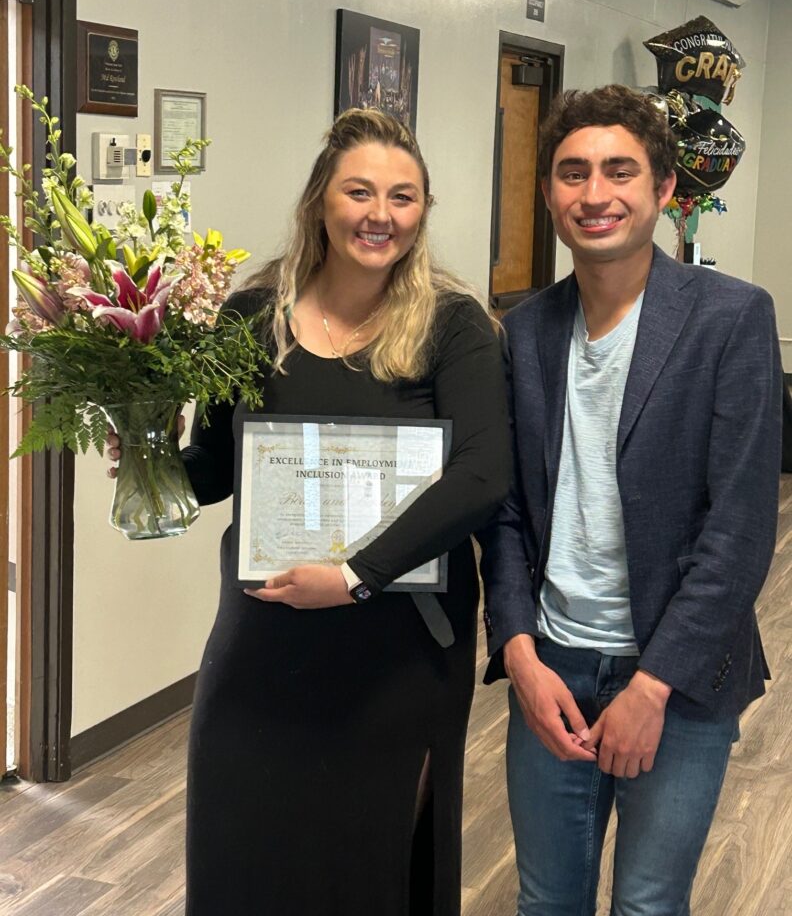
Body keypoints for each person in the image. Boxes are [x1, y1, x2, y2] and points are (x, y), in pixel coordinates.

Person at [109, 108, 511, 916]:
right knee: (244, 843)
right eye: (359, 191)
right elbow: (220, 467)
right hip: (267, 631)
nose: (380, 214)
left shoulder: (453, 323)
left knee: (369, 861)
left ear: (423, 210)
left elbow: (483, 474)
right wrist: (154, 464)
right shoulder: (250, 318)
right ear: (319, 200)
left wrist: (357, 575)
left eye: (402, 196)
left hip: (399, 644)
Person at [478, 84, 782, 916]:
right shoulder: (524, 330)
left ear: (664, 188)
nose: (595, 194)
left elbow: (740, 530)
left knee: (649, 904)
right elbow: (505, 513)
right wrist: (518, 651)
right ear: (548, 194)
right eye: (572, 173)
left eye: (620, 171)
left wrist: (652, 687)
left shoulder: (731, 319)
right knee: (546, 900)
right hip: (553, 665)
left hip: (679, 675)